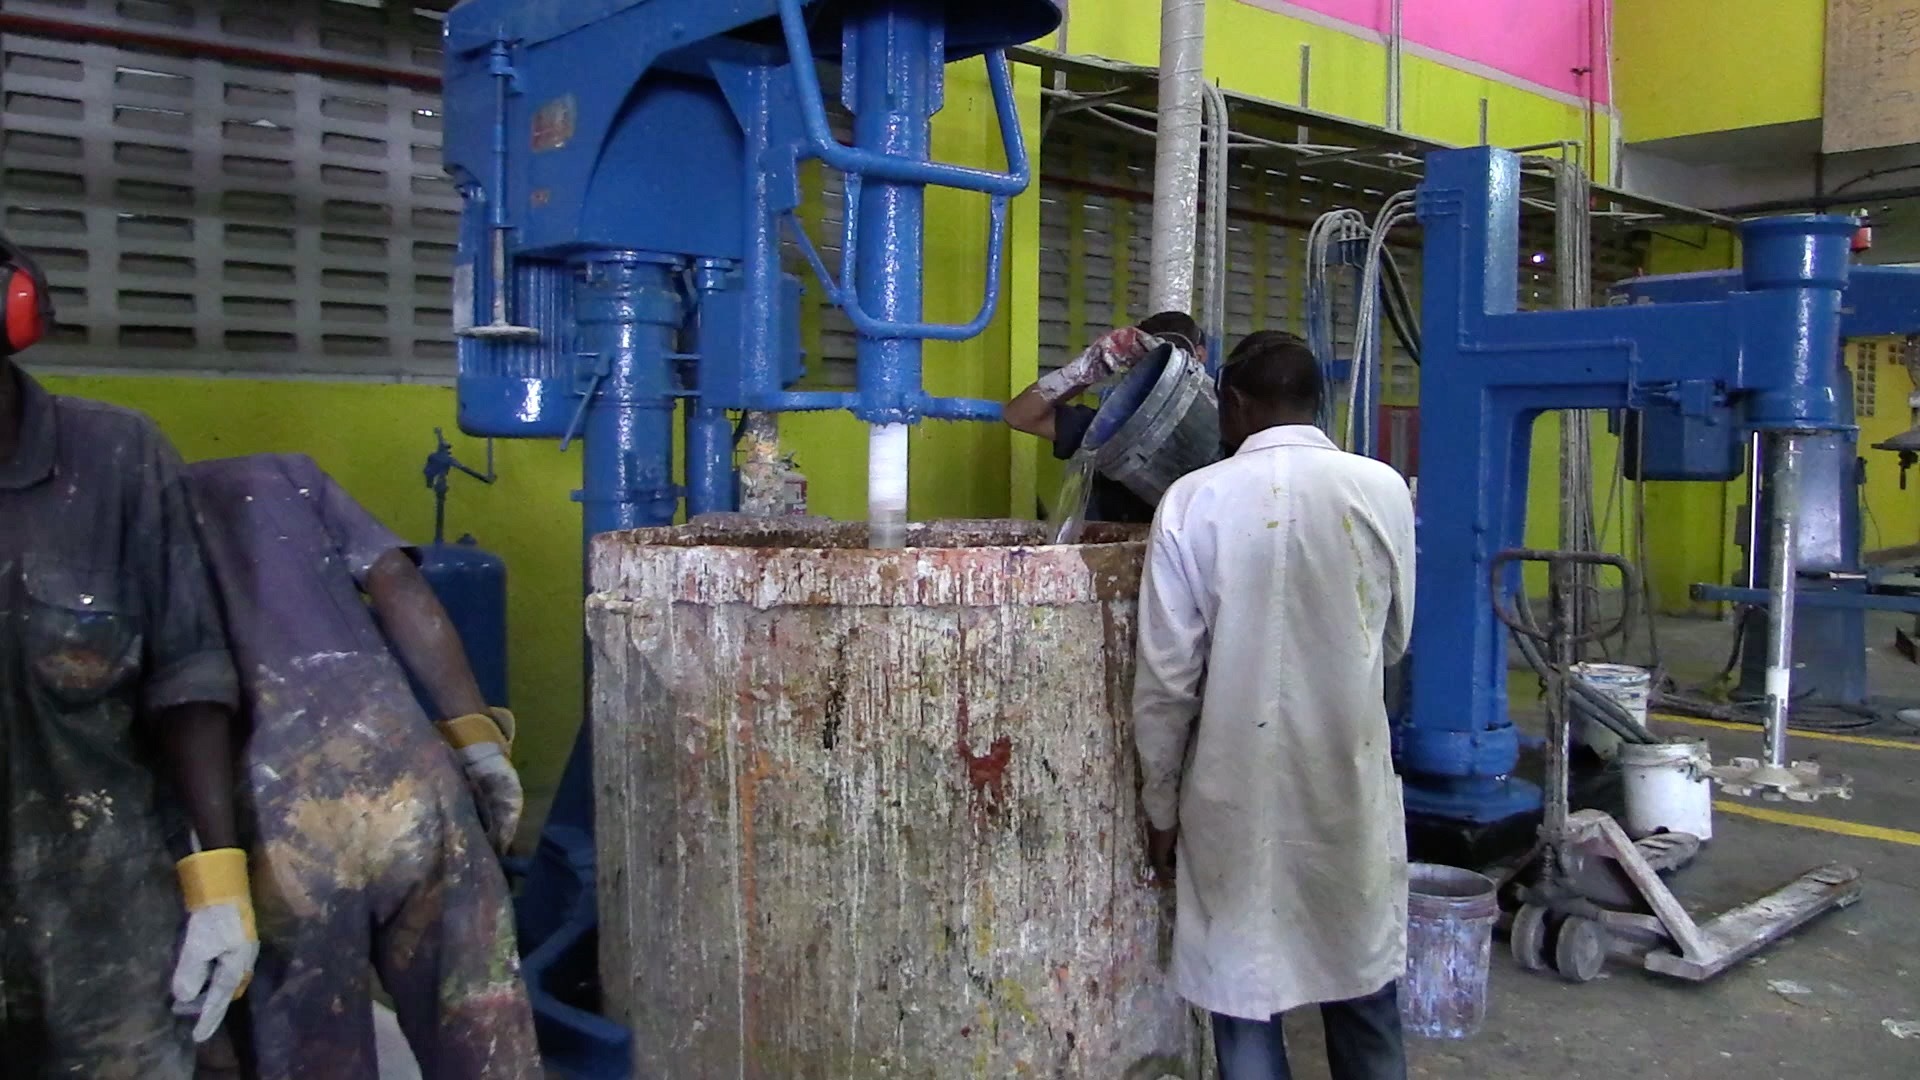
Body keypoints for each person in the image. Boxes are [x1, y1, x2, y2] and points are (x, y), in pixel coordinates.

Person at [184, 452, 540, 1079]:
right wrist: (476, 739)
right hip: (412, 781)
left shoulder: (127, 521)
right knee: (485, 1035)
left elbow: (179, 704)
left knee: (317, 1051)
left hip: (280, 825)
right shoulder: (276, 475)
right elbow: (398, 581)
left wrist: (207, 875)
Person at [1, 232, 256, 1075]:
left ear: (15, 307)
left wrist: (218, 887)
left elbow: (190, 679)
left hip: (106, 916)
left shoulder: (116, 459)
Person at [1132, 331, 1417, 1080]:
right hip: (1345, 782)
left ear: (1232, 403)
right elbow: (1393, 640)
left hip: (1234, 791)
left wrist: (1160, 806)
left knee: (1245, 1000)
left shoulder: (1191, 501)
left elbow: (1166, 682)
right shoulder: (1382, 487)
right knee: (1362, 987)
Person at [1004, 311, 1207, 523]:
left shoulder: (1225, 429)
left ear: (1199, 357)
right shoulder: (1112, 430)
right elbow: (1019, 415)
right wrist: (1090, 365)